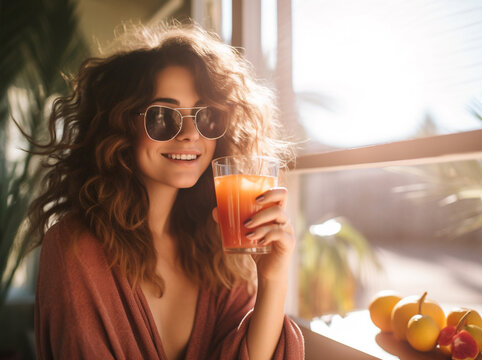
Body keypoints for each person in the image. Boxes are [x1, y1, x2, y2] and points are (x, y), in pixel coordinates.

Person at [28, 21, 304, 360]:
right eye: (162, 115)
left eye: (206, 116)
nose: (190, 133)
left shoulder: (219, 250)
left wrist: (273, 278)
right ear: (120, 125)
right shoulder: (74, 248)